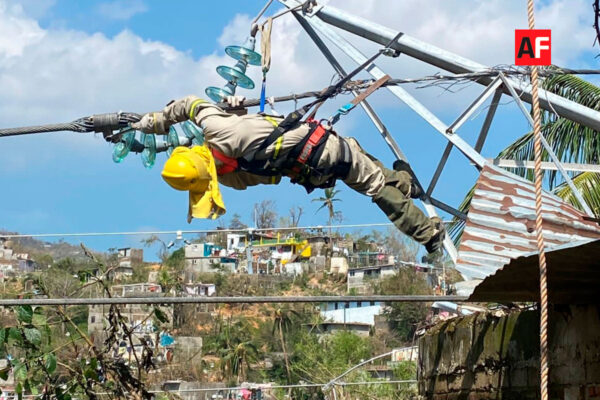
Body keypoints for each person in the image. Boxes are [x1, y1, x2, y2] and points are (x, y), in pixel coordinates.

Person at [132, 95, 445, 253]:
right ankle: (429, 235)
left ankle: (406, 182)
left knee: (363, 160)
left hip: (315, 172)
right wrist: (157, 121)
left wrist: (237, 115)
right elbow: (189, 104)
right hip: (327, 149)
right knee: (376, 186)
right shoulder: (218, 129)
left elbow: (272, 172)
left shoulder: (231, 177)